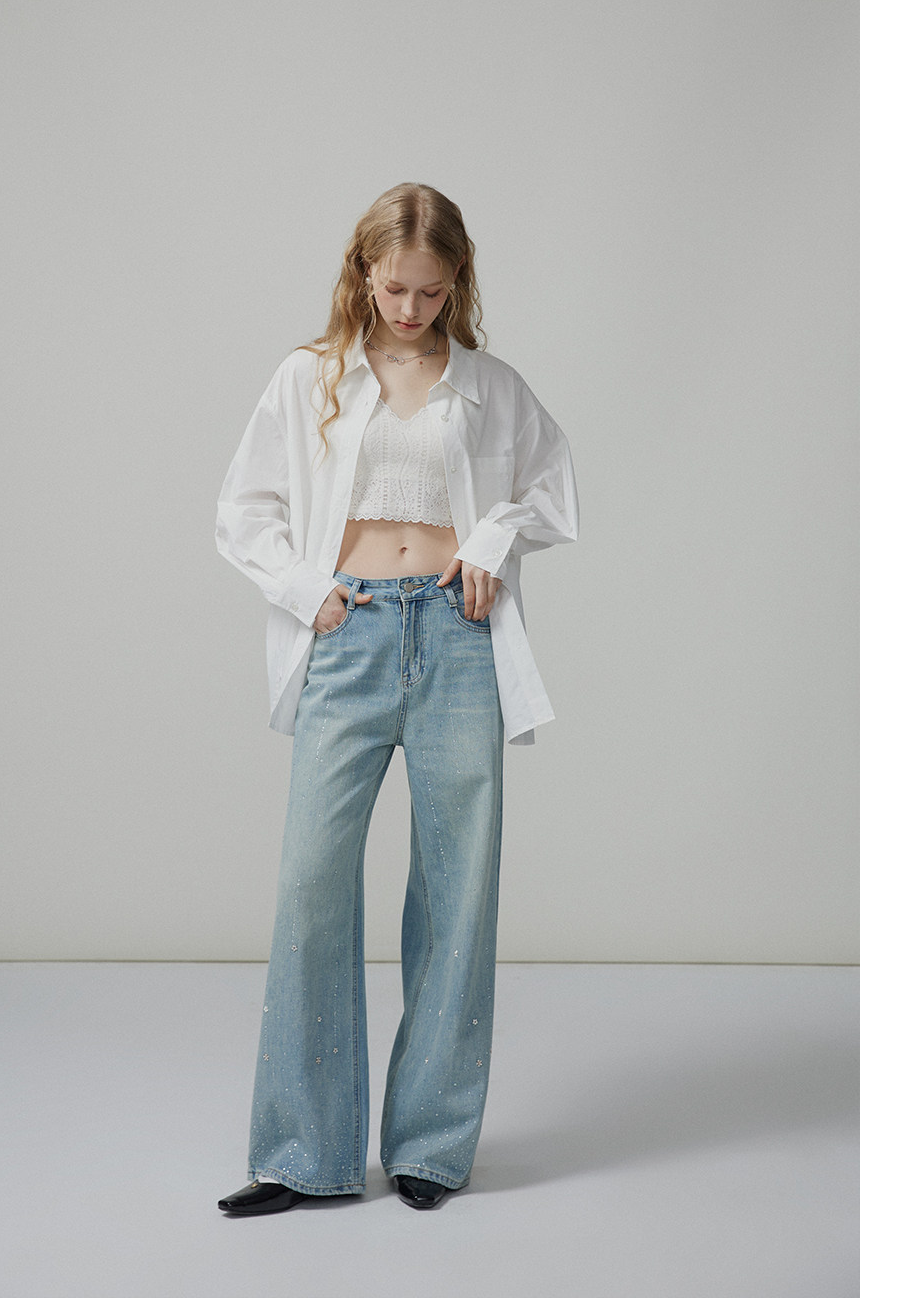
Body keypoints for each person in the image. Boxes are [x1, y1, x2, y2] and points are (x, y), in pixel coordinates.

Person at [213, 182, 579, 1215]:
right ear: (362, 274)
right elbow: (243, 510)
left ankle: (429, 1145)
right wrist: (306, 590)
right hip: (352, 631)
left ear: (456, 283)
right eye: (394, 289)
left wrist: (494, 539)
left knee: (458, 892)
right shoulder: (311, 376)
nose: (411, 310)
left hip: (460, 640)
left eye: (431, 292)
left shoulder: (489, 386)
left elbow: (552, 487)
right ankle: (302, 1153)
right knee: (312, 885)